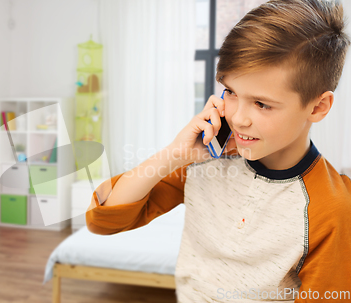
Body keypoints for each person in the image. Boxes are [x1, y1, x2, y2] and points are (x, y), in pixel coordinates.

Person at [85, 0, 351, 302]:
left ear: (318, 107)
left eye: (262, 104)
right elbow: (104, 219)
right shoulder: (206, 161)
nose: (238, 118)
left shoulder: (333, 209)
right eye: (231, 92)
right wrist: (175, 154)